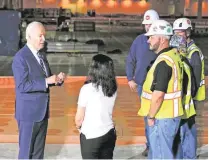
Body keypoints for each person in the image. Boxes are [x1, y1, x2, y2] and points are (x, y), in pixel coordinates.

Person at [12, 21, 66, 159]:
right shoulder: (20, 57)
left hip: (42, 113)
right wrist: (47, 81)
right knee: (26, 153)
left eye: (44, 36)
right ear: (29, 37)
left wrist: (56, 80)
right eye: (40, 36)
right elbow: (22, 85)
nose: (43, 39)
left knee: (38, 153)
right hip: (28, 115)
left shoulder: (41, 55)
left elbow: (46, 79)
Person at [138, 20, 184, 159]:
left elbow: (158, 95)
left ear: (162, 39)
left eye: (152, 37)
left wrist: (151, 116)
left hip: (161, 117)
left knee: (160, 156)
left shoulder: (163, 62)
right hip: (170, 116)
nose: (148, 40)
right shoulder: (173, 56)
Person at [125, 9, 159, 156]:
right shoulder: (139, 40)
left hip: (158, 86)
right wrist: (129, 78)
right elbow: (130, 59)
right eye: (146, 24)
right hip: (142, 86)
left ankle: (158, 145)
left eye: (150, 24)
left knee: (159, 117)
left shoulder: (162, 41)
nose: (147, 27)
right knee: (148, 117)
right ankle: (150, 145)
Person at [172, 17, 205, 159]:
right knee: (183, 129)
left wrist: (190, 96)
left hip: (190, 98)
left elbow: (195, 79)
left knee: (188, 129)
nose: (177, 36)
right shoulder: (184, 50)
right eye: (175, 33)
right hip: (185, 97)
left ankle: (190, 156)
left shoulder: (193, 53)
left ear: (188, 33)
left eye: (180, 33)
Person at [75, 54, 117, 159]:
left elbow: (79, 118)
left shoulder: (87, 89)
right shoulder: (113, 88)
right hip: (109, 132)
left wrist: (79, 126)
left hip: (91, 136)